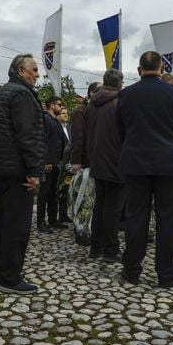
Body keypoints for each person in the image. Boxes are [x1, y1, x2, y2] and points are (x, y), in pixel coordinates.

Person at [117, 51, 173, 289]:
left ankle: (131, 270)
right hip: (169, 163)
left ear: (139, 70)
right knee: (167, 219)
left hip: (136, 163)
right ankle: (166, 274)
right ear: (161, 69)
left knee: (135, 217)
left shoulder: (126, 95)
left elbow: (121, 130)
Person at [0, 54, 44, 294]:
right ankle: (10, 277)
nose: (37, 74)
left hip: (2, 167)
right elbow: (26, 135)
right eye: (34, 70)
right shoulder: (21, 94)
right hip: (17, 169)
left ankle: (2, 271)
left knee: (3, 222)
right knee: (17, 226)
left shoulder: (4, 93)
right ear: (21, 71)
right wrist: (34, 170)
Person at [85, 68, 124, 262]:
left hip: (97, 160)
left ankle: (96, 247)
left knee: (100, 205)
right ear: (120, 83)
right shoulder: (120, 101)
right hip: (116, 161)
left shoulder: (93, 104)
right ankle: (111, 249)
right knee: (113, 208)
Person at [68, 82, 100, 247]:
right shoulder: (80, 112)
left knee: (91, 199)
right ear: (91, 93)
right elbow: (78, 139)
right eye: (98, 91)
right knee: (83, 198)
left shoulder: (97, 111)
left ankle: (88, 229)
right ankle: (80, 231)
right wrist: (76, 161)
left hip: (97, 163)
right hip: (84, 163)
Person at [37, 96, 66, 233]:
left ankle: (53, 219)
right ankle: (41, 221)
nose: (61, 107)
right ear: (52, 105)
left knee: (53, 192)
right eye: (59, 104)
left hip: (56, 163)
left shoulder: (55, 121)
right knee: (44, 193)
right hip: (48, 163)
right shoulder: (45, 119)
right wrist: (46, 161)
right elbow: (43, 141)